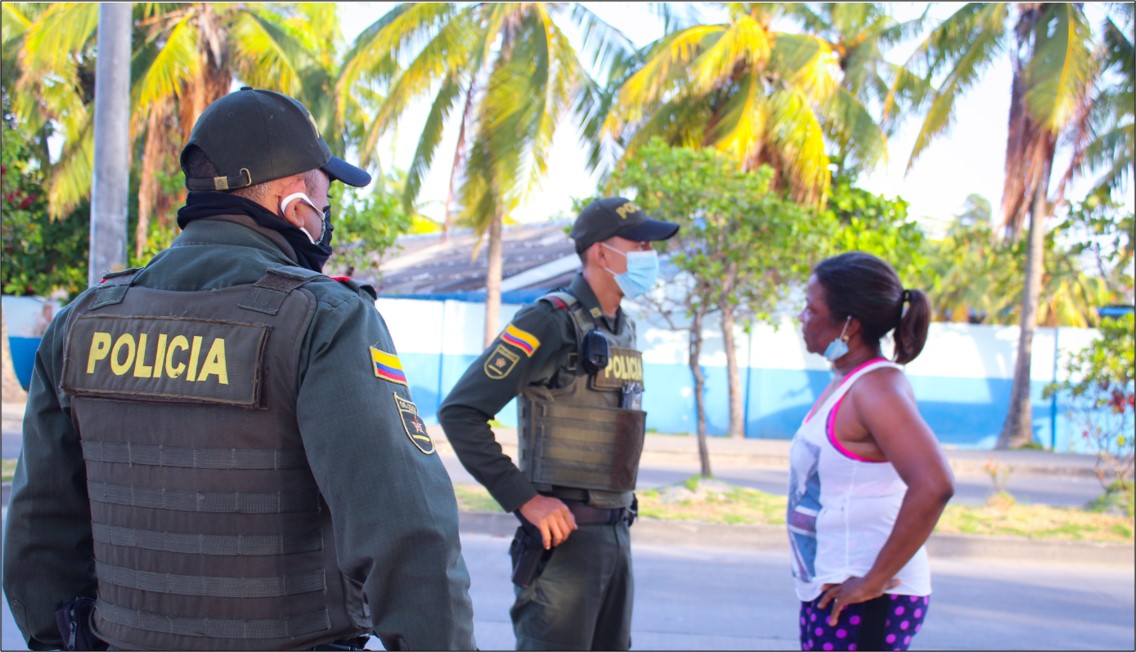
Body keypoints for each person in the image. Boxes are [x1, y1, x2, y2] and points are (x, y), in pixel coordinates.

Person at [2, 87, 477, 651]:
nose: (325, 212)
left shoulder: (83, 322)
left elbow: (37, 534)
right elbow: (409, 532)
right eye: (323, 192)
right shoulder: (326, 319)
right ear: (293, 202)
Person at [437, 197, 679, 650]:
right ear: (602, 253)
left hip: (615, 532)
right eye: (640, 244)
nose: (651, 254)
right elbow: (460, 411)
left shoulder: (621, 327)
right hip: (565, 542)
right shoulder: (549, 320)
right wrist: (525, 500)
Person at [787, 251, 956, 652]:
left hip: (867, 598)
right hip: (835, 589)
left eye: (811, 309)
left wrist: (874, 580)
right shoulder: (848, 381)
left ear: (850, 324)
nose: (802, 318)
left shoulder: (877, 388)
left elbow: (934, 483)